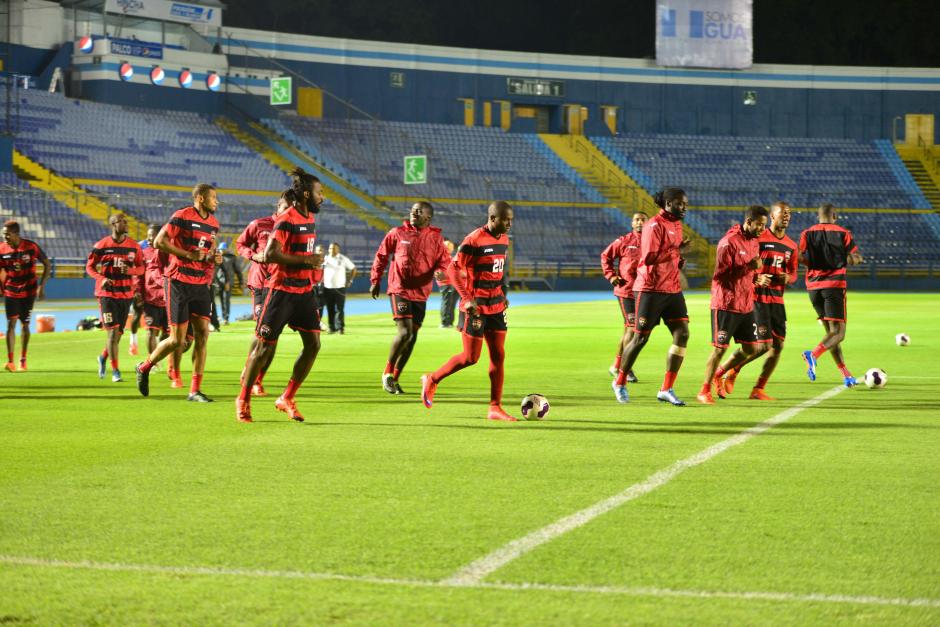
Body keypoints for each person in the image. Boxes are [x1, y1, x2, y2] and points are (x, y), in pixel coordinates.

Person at [237, 168, 325, 424]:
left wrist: (312, 265)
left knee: (314, 344)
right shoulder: (286, 219)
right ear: (306, 194)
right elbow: (271, 254)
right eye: (319, 193)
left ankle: (286, 397)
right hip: (280, 291)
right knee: (263, 347)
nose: (322, 197)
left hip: (303, 291)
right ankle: (243, 398)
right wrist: (306, 260)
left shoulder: (309, 218)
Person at [420, 201, 517, 422]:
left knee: (498, 355)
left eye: (511, 220)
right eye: (505, 220)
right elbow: (452, 270)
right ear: (492, 218)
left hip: (496, 306)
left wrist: (503, 293)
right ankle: (432, 379)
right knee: (471, 358)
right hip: (476, 308)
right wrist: (467, 298)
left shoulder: (504, 239)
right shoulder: (473, 240)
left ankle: (495, 407)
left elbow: (500, 271)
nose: (509, 224)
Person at [136, 183, 221, 402]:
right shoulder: (182, 216)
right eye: (213, 197)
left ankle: (194, 390)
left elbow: (207, 251)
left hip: (200, 284)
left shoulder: (213, 224)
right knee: (176, 340)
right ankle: (144, 367)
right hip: (178, 282)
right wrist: (187, 254)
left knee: (203, 335)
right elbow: (159, 242)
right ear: (200, 198)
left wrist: (213, 257)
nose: (217, 201)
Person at [612, 188, 691, 406]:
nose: (684, 207)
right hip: (650, 288)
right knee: (640, 338)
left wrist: (678, 259)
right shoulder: (653, 225)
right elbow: (648, 257)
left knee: (683, 333)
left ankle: (666, 389)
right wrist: (676, 251)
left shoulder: (677, 224)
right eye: (680, 204)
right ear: (667, 204)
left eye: (685, 204)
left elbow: (670, 254)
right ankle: (620, 381)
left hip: (672, 288)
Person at [718, 202, 799, 400]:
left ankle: (758, 389)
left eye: (789, 213)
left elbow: (794, 272)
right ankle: (725, 371)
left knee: (778, 346)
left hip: (777, 300)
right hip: (756, 298)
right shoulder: (759, 237)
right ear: (772, 216)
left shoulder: (791, 245)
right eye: (782, 213)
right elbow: (745, 261)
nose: (786, 216)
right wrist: (756, 277)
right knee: (762, 346)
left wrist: (788, 278)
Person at [370, 201, 452, 394]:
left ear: (428, 217)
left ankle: (395, 378)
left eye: (419, 211)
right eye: (413, 210)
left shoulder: (436, 238)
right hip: (400, 289)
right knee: (405, 332)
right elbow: (382, 255)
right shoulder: (397, 233)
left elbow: (444, 263)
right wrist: (375, 279)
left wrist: (442, 275)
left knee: (412, 337)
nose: (414, 213)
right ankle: (387, 373)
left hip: (421, 293)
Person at [697, 205, 771, 404]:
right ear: (748, 222)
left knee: (751, 349)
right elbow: (719, 276)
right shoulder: (728, 242)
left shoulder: (754, 242)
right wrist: (749, 267)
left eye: (764, 225)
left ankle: (719, 373)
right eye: (759, 225)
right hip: (725, 303)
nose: (762, 229)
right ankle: (704, 391)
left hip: (745, 303)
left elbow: (749, 273)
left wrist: (756, 278)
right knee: (719, 349)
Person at [799, 203, 864, 387]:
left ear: (818, 216)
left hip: (813, 288)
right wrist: (855, 259)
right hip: (833, 286)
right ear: (834, 215)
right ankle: (812, 354)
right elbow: (854, 257)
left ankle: (846, 374)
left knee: (831, 334)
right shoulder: (843, 233)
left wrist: (813, 263)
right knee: (839, 333)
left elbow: (799, 256)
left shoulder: (807, 233)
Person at [236, 195, 290, 396]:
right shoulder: (259, 224)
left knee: (273, 336)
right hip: (260, 283)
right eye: (285, 207)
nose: (288, 211)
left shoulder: (293, 228)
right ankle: (249, 373)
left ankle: (258, 378)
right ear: (278, 205)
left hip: (280, 285)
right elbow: (240, 244)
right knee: (262, 331)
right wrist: (253, 255)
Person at [86, 213, 145, 383]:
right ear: (113, 224)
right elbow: (89, 267)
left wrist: (131, 271)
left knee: (118, 334)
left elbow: (141, 268)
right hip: (107, 295)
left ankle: (103, 357)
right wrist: (101, 279)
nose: (126, 224)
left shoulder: (134, 246)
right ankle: (115, 371)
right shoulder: (102, 245)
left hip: (125, 295)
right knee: (112, 333)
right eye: (122, 221)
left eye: (126, 221)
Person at [601, 211, 647, 383]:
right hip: (626, 290)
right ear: (632, 223)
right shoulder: (624, 241)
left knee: (631, 330)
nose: (640, 222)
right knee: (633, 328)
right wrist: (611, 275)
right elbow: (606, 256)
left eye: (643, 220)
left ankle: (617, 366)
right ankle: (624, 369)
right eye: (636, 219)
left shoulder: (653, 241)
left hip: (645, 292)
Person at [0, 220, 50, 372]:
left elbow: (47, 264)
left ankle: (23, 359)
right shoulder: (2, 249)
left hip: (29, 291)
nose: (4, 237)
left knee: (25, 324)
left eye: (7, 234)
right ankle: (10, 361)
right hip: (10, 290)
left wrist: (42, 286)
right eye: (3, 234)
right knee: (11, 324)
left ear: (16, 234)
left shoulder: (31, 247)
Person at [321, 242, 356, 333]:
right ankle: (332, 327)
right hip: (327, 288)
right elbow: (319, 269)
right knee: (330, 309)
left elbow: (353, 268)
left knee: (339, 309)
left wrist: (350, 280)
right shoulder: (325, 259)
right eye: (330, 248)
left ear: (338, 249)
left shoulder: (343, 258)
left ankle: (340, 328)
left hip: (340, 288)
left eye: (333, 248)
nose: (331, 250)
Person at [127, 233, 150, 356]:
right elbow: (134, 268)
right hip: (140, 286)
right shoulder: (139, 246)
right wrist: (135, 289)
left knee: (157, 319)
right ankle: (133, 343)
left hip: (155, 288)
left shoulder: (162, 245)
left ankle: (155, 350)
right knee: (137, 315)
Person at [212, 241, 243, 326]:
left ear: (226, 249)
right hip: (218, 283)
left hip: (228, 282)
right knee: (216, 300)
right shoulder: (218, 257)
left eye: (223, 249)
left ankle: (226, 318)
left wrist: (240, 282)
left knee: (226, 300)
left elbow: (238, 271)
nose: (221, 250)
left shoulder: (232, 258)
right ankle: (218, 318)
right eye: (220, 249)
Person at [437, 238, 458, 328]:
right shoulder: (442, 257)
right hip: (446, 283)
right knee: (446, 302)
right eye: (450, 246)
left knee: (450, 303)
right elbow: (440, 272)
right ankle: (444, 322)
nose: (451, 248)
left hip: (450, 282)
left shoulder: (447, 257)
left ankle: (449, 322)